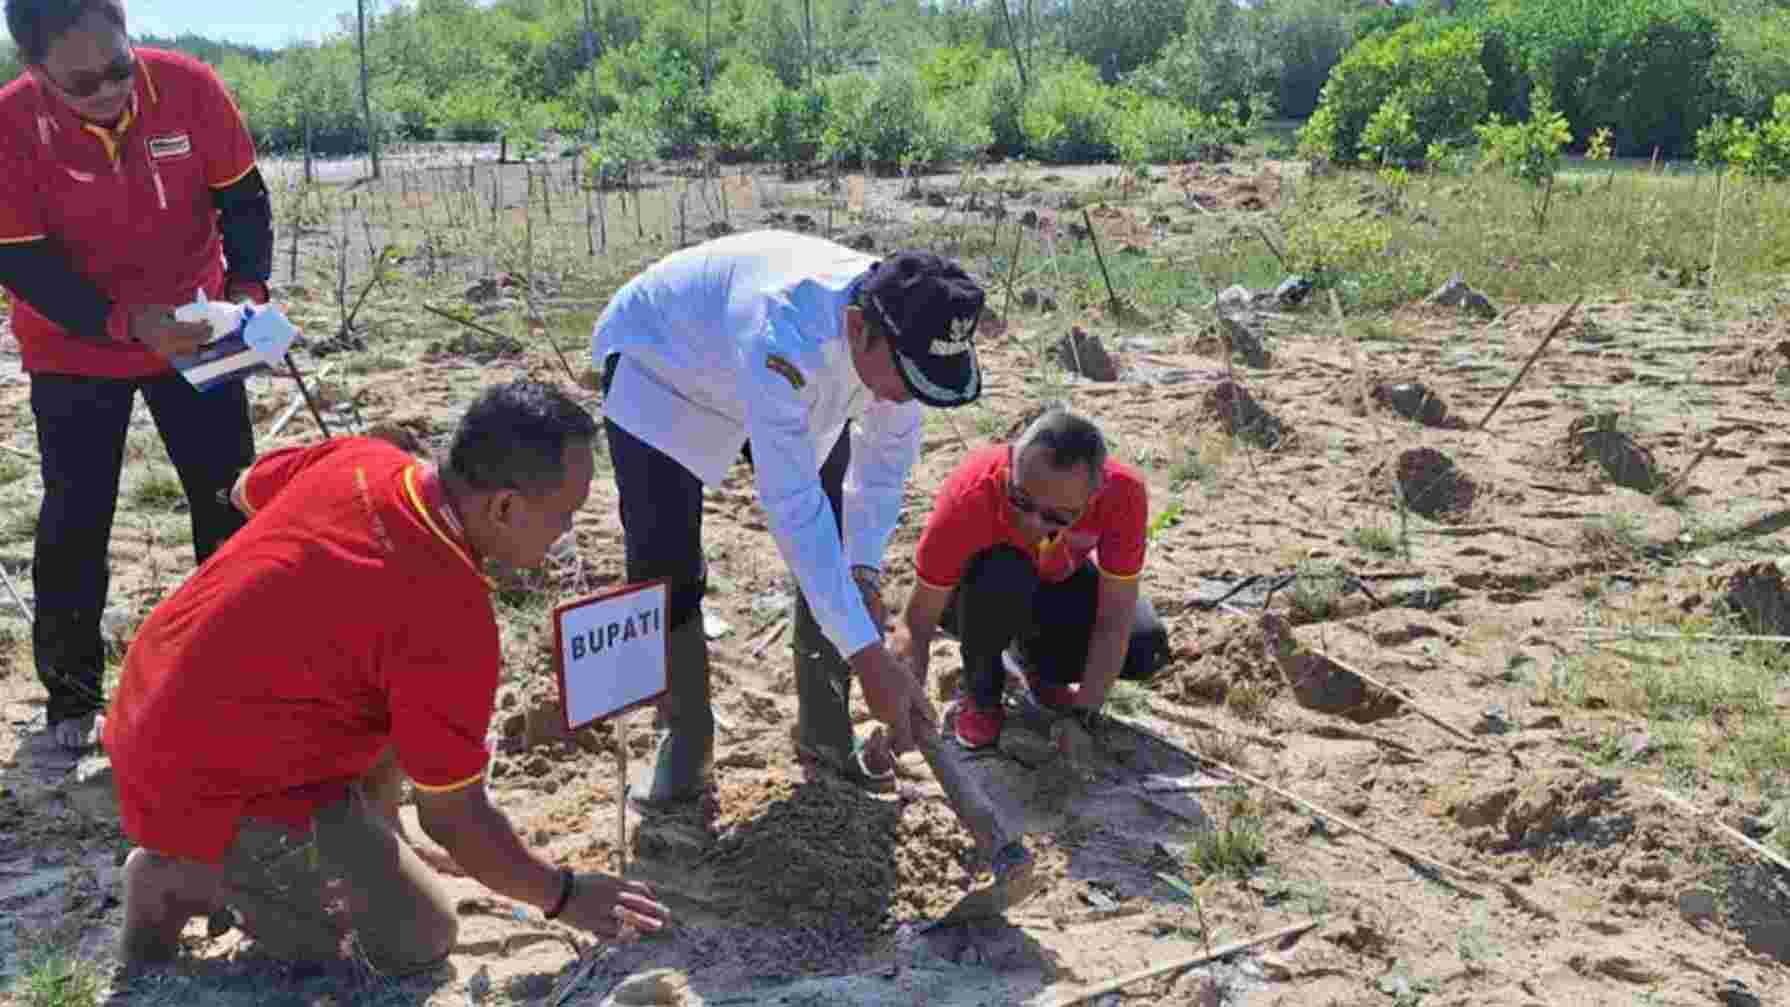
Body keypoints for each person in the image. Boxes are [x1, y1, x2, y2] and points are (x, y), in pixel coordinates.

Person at [103, 379, 669, 973]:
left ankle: (340, 833)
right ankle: (181, 878)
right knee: (416, 936)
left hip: (152, 687)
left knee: (381, 692)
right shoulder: (449, 616)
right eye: (564, 515)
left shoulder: (366, 458)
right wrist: (564, 894)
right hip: (200, 775)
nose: (565, 535)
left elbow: (249, 489)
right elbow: (455, 818)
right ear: (504, 506)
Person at [591, 229, 987, 802]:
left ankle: (824, 729)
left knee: (837, 547)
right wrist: (868, 657)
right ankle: (686, 733)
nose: (908, 398)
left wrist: (865, 571)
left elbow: (881, 470)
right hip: (670, 365)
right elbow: (793, 508)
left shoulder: (899, 337)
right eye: (908, 381)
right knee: (664, 557)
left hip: (783, 383)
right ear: (858, 330)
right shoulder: (783, 331)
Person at [0, 0, 274, 751]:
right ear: (34, 69)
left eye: (120, 66)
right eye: (82, 84)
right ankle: (72, 696)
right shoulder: (10, 126)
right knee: (77, 513)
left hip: (197, 325)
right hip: (73, 347)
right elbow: (22, 262)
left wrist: (246, 298)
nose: (109, 90)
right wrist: (127, 321)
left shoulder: (188, 88)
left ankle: (241, 671)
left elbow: (243, 201)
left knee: (231, 496)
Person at [888, 408, 1172, 748]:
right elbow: (917, 621)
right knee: (1003, 567)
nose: (1034, 523)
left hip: (1052, 584)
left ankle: (1042, 671)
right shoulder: (972, 492)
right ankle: (982, 695)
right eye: (1020, 500)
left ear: (1096, 492)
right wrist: (904, 697)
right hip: (976, 595)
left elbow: (1114, 618)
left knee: (1144, 645)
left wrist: (1083, 716)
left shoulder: (1124, 494)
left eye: (1057, 516)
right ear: (1011, 464)